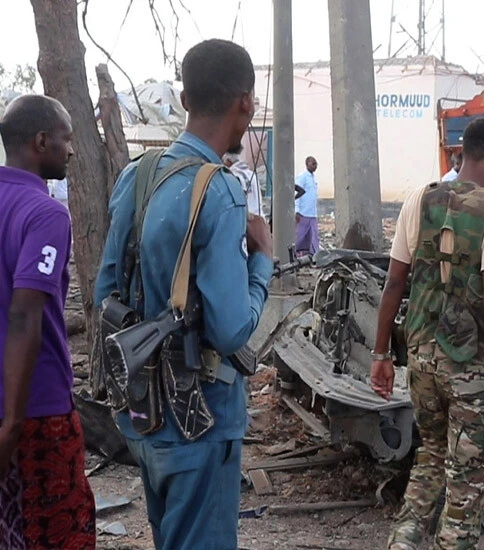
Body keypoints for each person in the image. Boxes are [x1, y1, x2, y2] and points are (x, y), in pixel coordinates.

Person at [94, 39, 275, 549]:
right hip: (201, 421)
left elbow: (106, 290)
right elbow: (231, 328)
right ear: (246, 102)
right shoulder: (218, 190)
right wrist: (261, 262)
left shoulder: (138, 174)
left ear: (182, 96)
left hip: (144, 417)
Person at [370, 117, 484, 550]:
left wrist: (381, 354)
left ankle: (401, 544)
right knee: (465, 487)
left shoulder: (419, 200)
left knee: (428, 461)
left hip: (420, 358)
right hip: (470, 370)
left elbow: (394, 283)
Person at [0, 95, 95, 549]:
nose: (71, 150)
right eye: (66, 139)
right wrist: (13, 423)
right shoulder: (45, 213)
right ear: (41, 141)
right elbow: (24, 314)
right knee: (59, 535)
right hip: (36, 413)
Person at [223, 151, 265, 218]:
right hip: (259, 218)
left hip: (246, 221)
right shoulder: (252, 174)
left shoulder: (231, 177)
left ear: (228, 161)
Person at [295, 156, 319, 256]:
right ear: (307, 164)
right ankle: (294, 252)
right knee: (299, 236)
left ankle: (314, 254)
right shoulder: (302, 177)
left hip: (312, 213)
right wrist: (297, 210)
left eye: (316, 164)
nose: (315, 166)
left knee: (313, 236)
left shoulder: (313, 178)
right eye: (313, 163)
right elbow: (296, 194)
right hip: (303, 212)